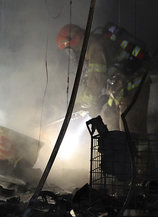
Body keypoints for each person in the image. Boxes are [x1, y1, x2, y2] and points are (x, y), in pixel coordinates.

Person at [57, 23, 152, 171]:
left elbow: (96, 80)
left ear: (74, 41)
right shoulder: (92, 48)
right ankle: (122, 170)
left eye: (69, 49)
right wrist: (94, 101)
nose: (72, 54)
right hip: (121, 89)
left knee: (131, 131)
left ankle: (139, 174)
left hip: (133, 86)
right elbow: (102, 79)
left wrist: (82, 104)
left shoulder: (94, 47)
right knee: (110, 120)